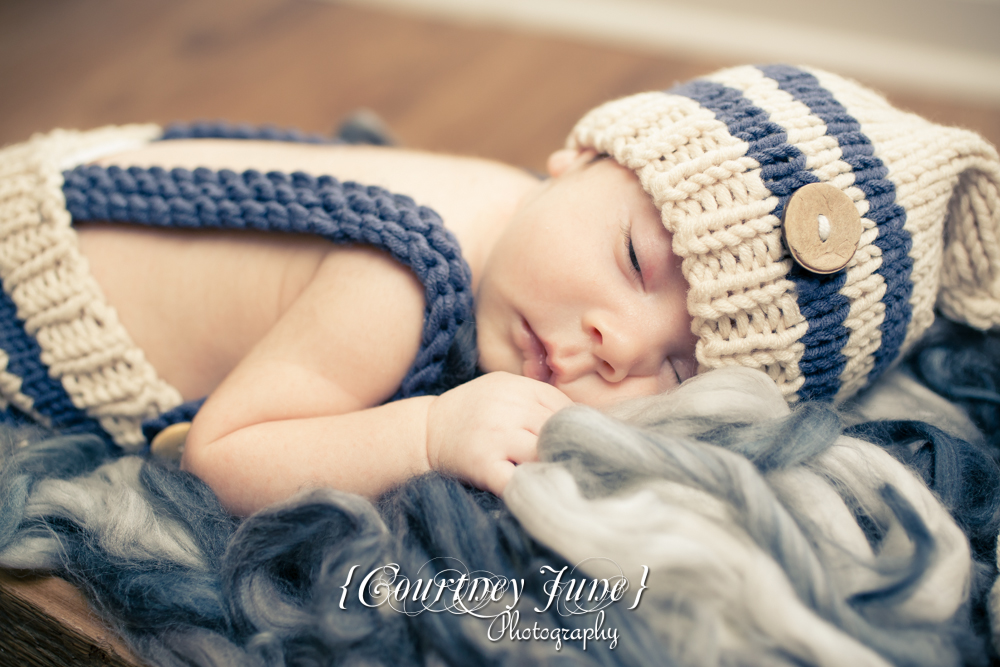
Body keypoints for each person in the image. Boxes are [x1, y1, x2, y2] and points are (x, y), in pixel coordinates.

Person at [2, 64, 999, 516]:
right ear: (582, 152)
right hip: (31, 295)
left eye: (683, 364)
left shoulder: (523, 209)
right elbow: (216, 458)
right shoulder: (398, 282)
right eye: (639, 264)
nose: (617, 343)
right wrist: (424, 436)